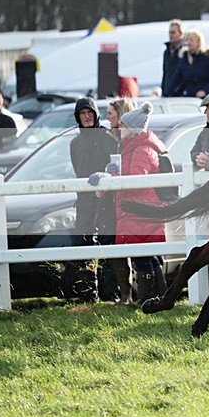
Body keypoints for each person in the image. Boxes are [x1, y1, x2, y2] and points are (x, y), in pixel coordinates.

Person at [89, 102, 168, 303]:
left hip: (140, 209)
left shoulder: (141, 149)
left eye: (123, 125)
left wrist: (109, 178)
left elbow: (135, 181)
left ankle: (147, 299)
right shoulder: (135, 147)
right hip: (139, 209)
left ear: (131, 128)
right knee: (148, 256)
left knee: (143, 257)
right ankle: (160, 296)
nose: (120, 128)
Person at [68, 97, 118, 302]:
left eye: (90, 112)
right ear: (78, 116)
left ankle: (110, 293)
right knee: (83, 243)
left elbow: (115, 166)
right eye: (83, 113)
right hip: (84, 200)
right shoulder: (75, 143)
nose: (87, 116)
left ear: (96, 114)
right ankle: (88, 293)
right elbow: (77, 170)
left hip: (106, 199)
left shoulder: (107, 137)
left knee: (106, 243)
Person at [103, 98, 136, 303]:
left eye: (111, 113)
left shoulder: (127, 138)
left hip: (127, 198)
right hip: (112, 198)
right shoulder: (109, 137)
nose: (107, 117)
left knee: (136, 246)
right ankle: (125, 293)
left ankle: (132, 293)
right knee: (116, 246)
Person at [162, 28, 209, 99]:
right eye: (187, 40)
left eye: (191, 40)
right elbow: (176, 79)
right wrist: (165, 94)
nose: (188, 42)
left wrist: (205, 91)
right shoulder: (184, 59)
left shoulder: (207, 57)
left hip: (207, 98)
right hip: (191, 97)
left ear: (198, 42)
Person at [161, 19, 185, 92]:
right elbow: (165, 73)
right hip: (168, 92)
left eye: (173, 32)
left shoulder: (186, 51)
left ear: (181, 34)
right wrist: (163, 89)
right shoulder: (166, 52)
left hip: (181, 93)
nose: (170, 35)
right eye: (169, 32)